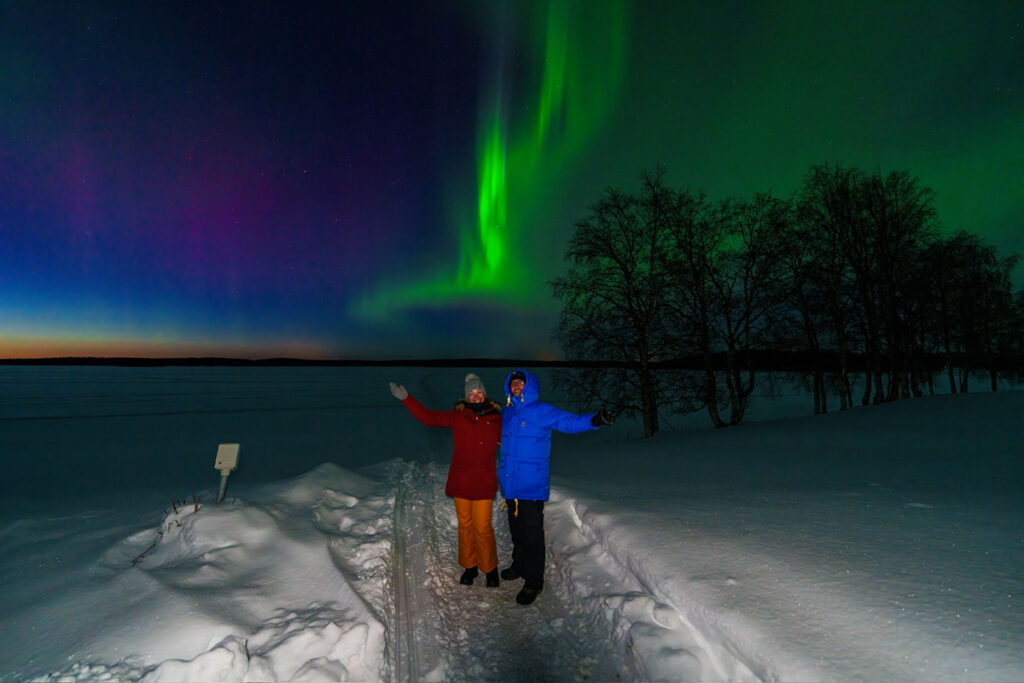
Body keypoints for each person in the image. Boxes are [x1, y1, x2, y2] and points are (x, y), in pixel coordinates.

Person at [498, 369, 615, 605]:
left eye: (521, 382)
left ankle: (533, 582)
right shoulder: (508, 412)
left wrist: (593, 420)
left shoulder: (541, 410)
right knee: (517, 532)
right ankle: (518, 565)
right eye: (513, 383)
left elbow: (568, 422)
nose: (517, 386)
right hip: (510, 487)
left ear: (529, 386)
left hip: (530, 487)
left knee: (532, 538)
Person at [389, 374, 503, 587]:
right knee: (466, 526)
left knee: (483, 527)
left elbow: (513, 437)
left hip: (485, 480)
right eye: (472, 393)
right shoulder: (457, 416)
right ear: (466, 396)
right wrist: (406, 398)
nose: (476, 396)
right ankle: (470, 567)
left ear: (485, 394)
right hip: (462, 480)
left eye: (479, 392)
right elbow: (428, 417)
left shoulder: (496, 418)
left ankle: (490, 568)